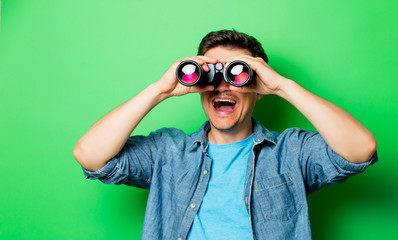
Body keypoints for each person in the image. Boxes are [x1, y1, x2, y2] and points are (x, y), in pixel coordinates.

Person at [73, 30, 378, 240]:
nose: (222, 85)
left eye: (236, 74)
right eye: (213, 74)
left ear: (258, 89)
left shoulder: (291, 152)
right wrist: (160, 90)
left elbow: (361, 149)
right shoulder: (167, 151)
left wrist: (282, 86)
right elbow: (89, 154)